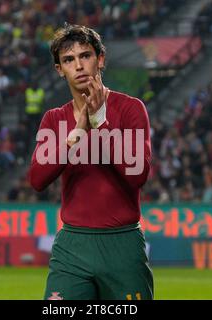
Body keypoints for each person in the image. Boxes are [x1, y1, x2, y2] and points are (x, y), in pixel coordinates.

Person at [28, 24, 153, 300]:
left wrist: (99, 123)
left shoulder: (131, 109)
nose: (79, 65)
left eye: (85, 56)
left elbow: (137, 175)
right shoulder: (55, 119)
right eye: (68, 60)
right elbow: (37, 180)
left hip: (122, 243)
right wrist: (73, 139)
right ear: (60, 70)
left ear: (100, 59)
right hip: (72, 246)